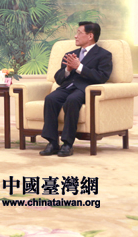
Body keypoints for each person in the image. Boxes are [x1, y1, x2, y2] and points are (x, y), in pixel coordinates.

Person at [40, 22, 112, 157]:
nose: (75, 36)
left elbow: (102, 77)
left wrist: (79, 67)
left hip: (85, 89)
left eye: (79, 33)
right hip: (67, 87)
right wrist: (68, 69)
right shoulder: (70, 54)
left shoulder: (104, 55)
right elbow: (58, 79)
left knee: (72, 100)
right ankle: (52, 142)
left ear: (90, 36)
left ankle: (67, 144)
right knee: (50, 98)